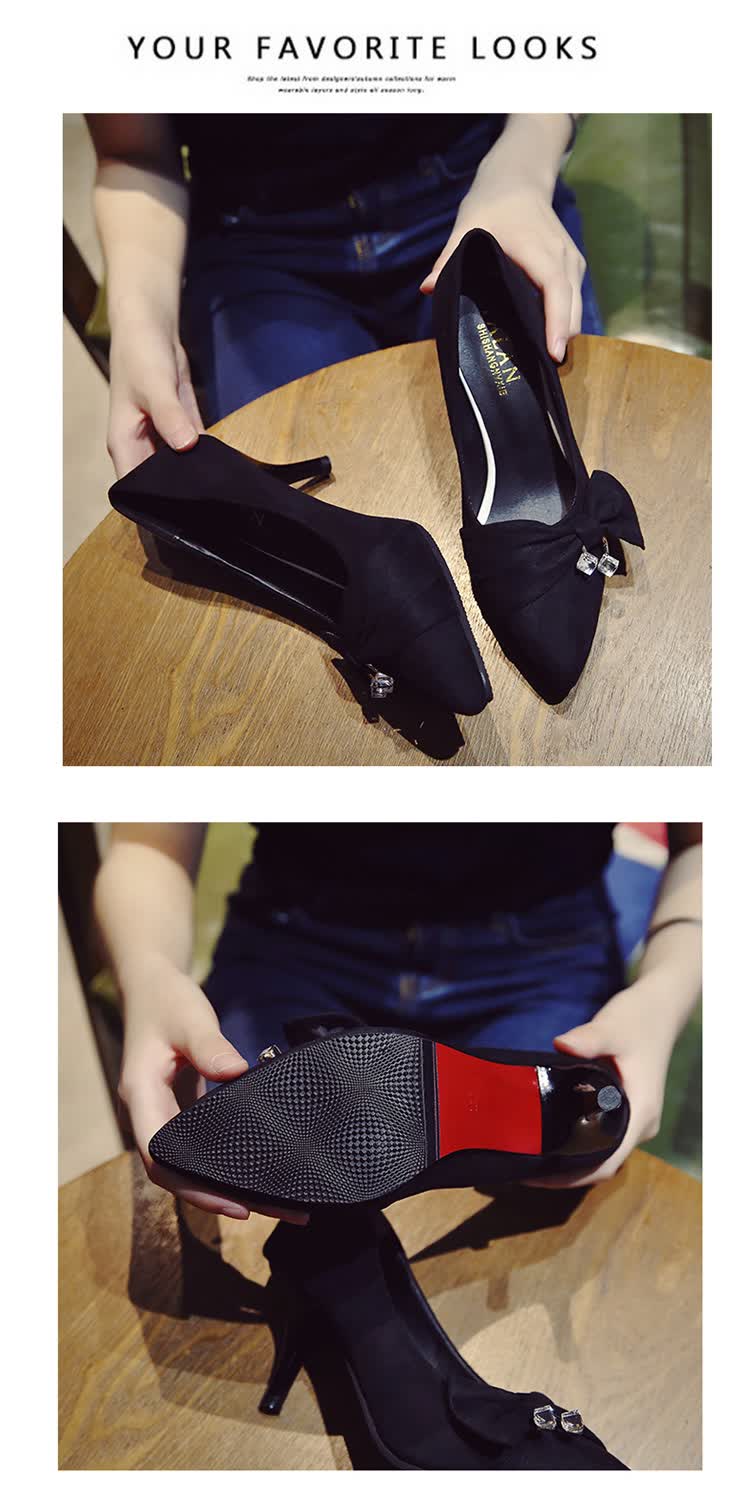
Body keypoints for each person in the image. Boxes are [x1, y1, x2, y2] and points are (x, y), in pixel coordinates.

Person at [94, 822, 702, 1227]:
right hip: (301, 932)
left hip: (541, 950)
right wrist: (148, 972)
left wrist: (665, 991)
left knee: (558, 1173)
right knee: (234, 1186)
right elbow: (149, 846)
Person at [85, 113, 599, 477]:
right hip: (259, 242)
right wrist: (140, 320)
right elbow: (133, 153)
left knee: (565, 461)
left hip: (479, 189)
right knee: (309, 521)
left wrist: (519, 174)